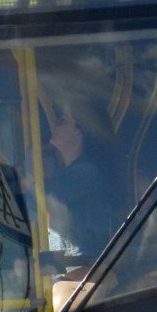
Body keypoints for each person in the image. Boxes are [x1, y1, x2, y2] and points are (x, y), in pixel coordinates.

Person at [44, 99, 120, 260]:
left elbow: (41, 204)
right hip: (72, 266)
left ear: (80, 133)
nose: (53, 125)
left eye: (62, 121)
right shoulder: (69, 172)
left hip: (87, 267)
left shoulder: (86, 173)